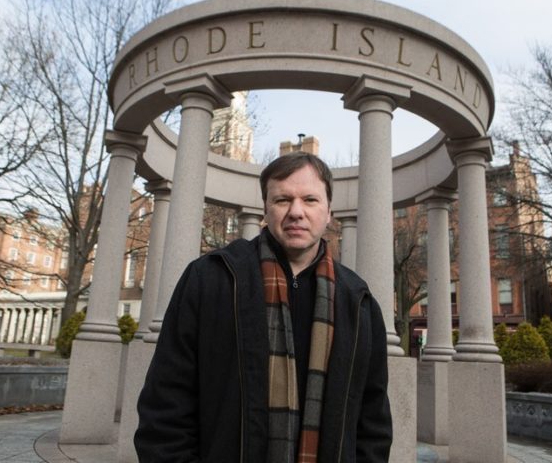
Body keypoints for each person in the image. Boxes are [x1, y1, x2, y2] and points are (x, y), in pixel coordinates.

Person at [135, 152, 392, 462]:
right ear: (265, 210)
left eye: (310, 200)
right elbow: (166, 403)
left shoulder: (358, 301)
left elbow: (372, 421)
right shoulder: (210, 280)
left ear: (329, 212)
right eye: (282, 200)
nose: (296, 212)